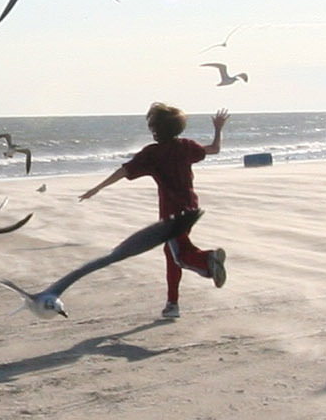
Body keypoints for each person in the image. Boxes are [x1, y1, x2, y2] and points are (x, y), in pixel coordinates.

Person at [78, 103, 228, 319]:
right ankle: (172, 304)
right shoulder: (186, 146)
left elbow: (123, 171)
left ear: (156, 128)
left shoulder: (152, 154)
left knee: (181, 256)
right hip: (191, 207)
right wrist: (218, 129)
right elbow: (214, 149)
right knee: (172, 254)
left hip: (171, 214)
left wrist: (97, 188)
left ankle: (208, 260)